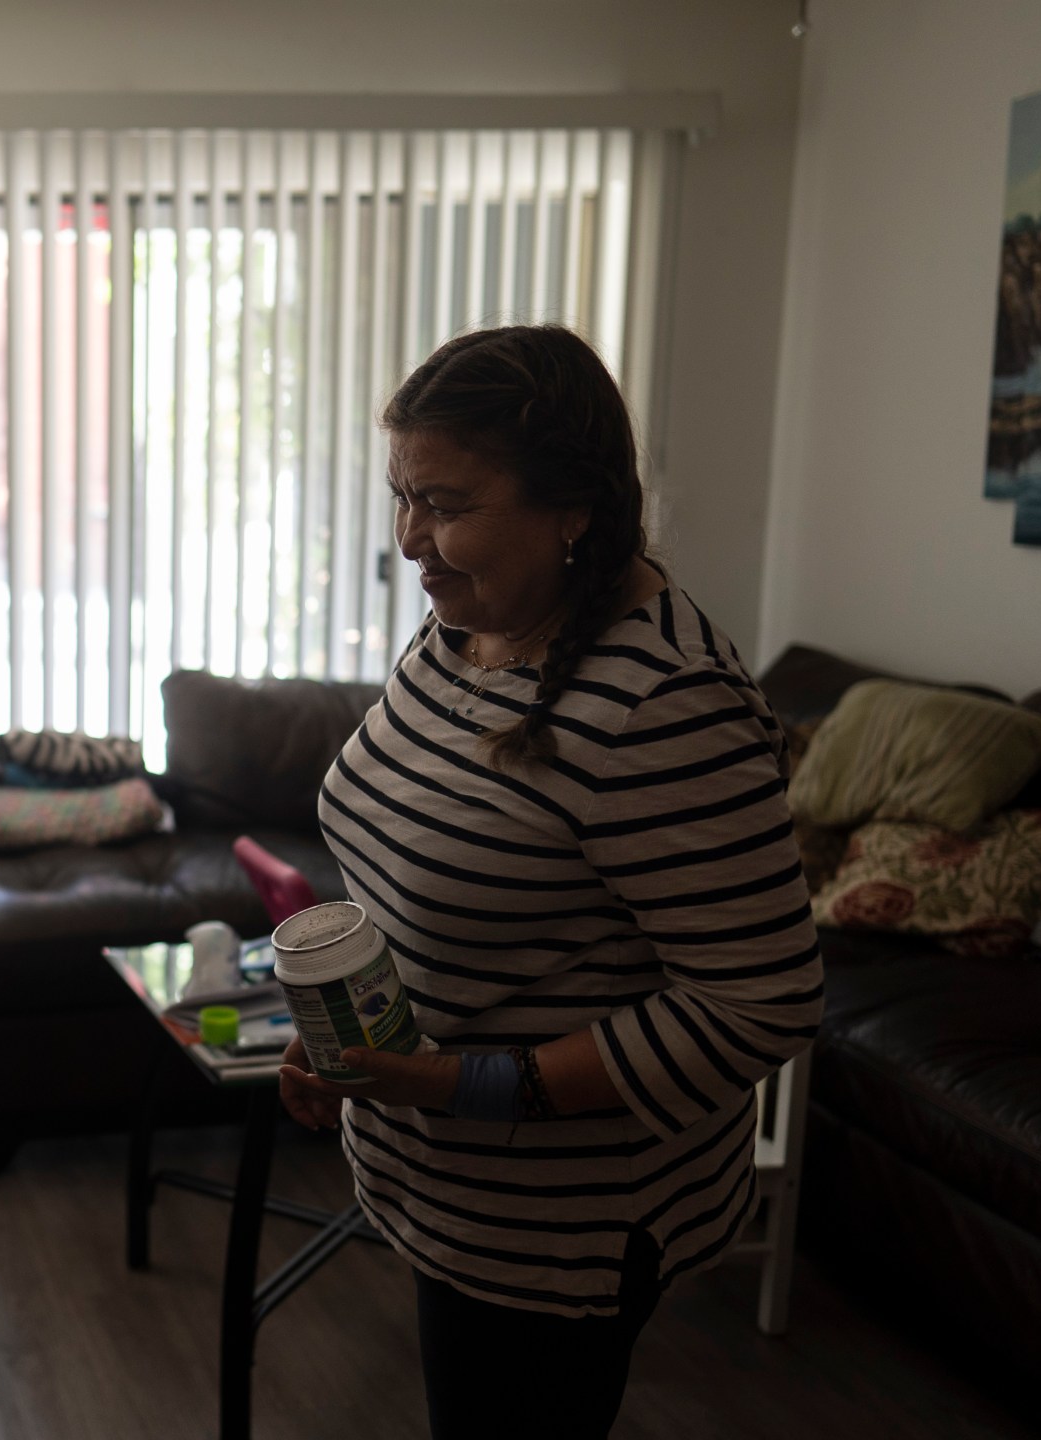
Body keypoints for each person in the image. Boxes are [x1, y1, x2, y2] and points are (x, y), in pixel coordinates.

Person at [281, 325, 822, 1438]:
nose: (410, 541)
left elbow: (760, 1003)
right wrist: (354, 1032)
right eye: (401, 496)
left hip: (549, 1233)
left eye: (446, 502)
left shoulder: (664, 705)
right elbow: (435, 854)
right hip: (441, 1188)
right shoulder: (469, 629)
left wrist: (454, 1085)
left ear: (572, 506)